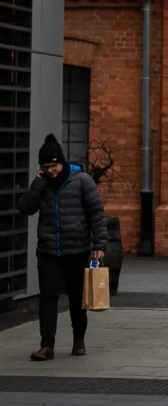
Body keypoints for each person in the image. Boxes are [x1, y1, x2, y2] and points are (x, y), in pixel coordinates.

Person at [20, 133, 108, 362]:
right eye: (46, 167)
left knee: (77, 299)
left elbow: (96, 214)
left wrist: (99, 244)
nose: (51, 171)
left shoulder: (81, 181)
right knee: (48, 297)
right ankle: (46, 346)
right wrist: (38, 183)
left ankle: (79, 340)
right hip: (48, 251)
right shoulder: (42, 185)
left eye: (54, 166)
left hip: (76, 250)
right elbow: (25, 208)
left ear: (62, 162)